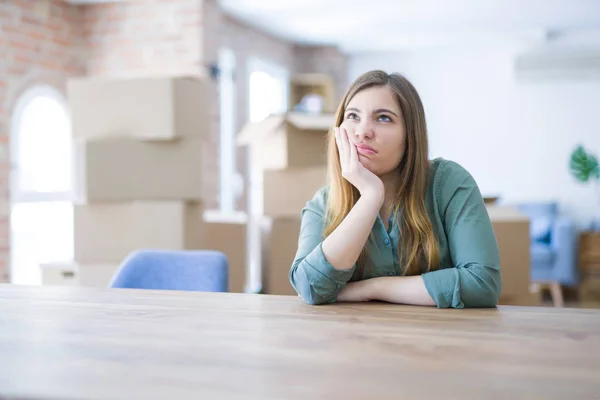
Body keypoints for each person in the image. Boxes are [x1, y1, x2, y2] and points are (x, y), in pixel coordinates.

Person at [288, 70, 502, 308]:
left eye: (383, 118)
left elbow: (482, 285)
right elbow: (309, 288)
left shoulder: (450, 183)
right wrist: (370, 197)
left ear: (410, 135)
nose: (362, 132)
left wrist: (373, 288)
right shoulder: (324, 203)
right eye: (353, 116)